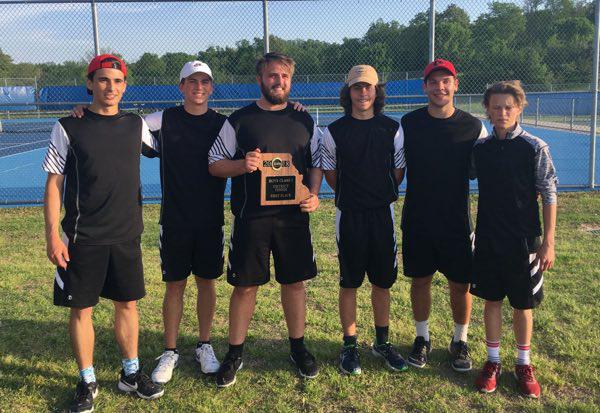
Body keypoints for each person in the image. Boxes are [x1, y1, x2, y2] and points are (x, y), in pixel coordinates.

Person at [43, 54, 164, 413]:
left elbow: (180, 119)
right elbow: (53, 184)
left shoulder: (135, 125)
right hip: (82, 238)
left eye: (118, 81)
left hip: (126, 235)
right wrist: (52, 235)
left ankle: (131, 374)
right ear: (90, 83)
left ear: (125, 86)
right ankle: (87, 379)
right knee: (82, 309)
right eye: (103, 80)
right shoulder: (68, 126)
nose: (111, 87)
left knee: (127, 304)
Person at [208, 52, 322, 388]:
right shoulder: (240, 120)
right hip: (251, 218)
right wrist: (242, 165)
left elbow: (316, 162)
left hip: (293, 220)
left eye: (284, 76)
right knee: (244, 287)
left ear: (290, 80)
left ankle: (297, 347)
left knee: (295, 284)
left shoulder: (304, 120)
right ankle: (234, 352)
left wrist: (313, 193)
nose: (279, 81)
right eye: (272, 76)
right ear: (260, 79)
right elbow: (214, 164)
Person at [400, 59, 487, 371]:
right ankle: (422, 338)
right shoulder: (408, 124)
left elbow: (491, 169)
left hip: (457, 221)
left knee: (460, 284)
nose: (440, 87)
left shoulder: (475, 126)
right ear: (425, 87)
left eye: (445, 81)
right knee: (420, 280)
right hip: (418, 218)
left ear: (455, 85)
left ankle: (459, 340)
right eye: (433, 82)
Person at [471, 80, 557, 398]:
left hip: (524, 240)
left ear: (519, 108)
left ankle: (523, 363)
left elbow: (549, 193)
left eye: (509, 107)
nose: (503, 112)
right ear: (488, 111)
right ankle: (493, 362)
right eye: (496, 107)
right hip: (489, 238)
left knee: (523, 304)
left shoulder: (535, 147)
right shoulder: (480, 149)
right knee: (492, 300)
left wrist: (548, 241)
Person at [321, 65, 407, 375]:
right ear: (349, 93)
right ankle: (349, 345)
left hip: (382, 214)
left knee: (382, 282)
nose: (363, 92)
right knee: (350, 282)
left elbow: (398, 172)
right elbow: (330, 175)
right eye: (357, 87)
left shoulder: (392, 129)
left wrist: (376, 192)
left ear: (376, 91)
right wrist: (355, 194)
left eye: (368, 87)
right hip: (350, 216)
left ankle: (382, 343)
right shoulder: (334, 131)